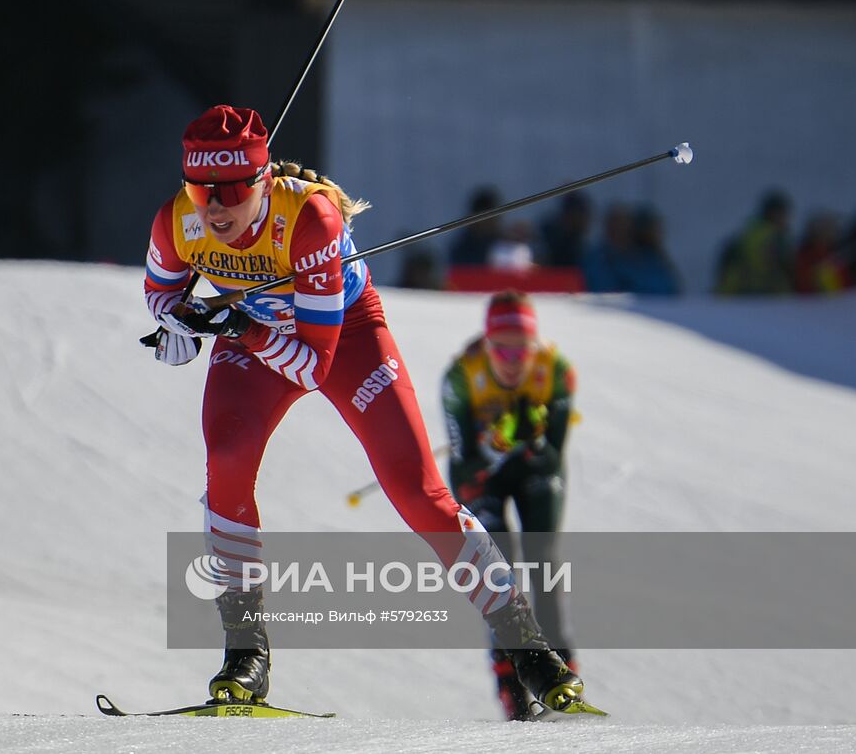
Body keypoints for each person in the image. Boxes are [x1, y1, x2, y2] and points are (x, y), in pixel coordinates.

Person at [143, 104, 585, 713]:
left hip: (342, 337)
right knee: (227, 457)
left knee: (416, 491)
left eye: (233, 189)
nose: (214, 207)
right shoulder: (177, 222)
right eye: (201, 190)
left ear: (264, 181)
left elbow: (312, 365)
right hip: (254, 331)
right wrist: (177, 333)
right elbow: (160, 296)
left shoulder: (311, 222)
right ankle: (246, 652)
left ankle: (530, 650)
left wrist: (236, 326)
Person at [442, 291, 579, 720]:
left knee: (544, 562)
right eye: (501, 347)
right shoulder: (462, 377)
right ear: (486, 344)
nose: (513, 358)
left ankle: (562, 674)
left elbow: (554, 453)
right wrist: (497, 441)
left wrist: (530, 437)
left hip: (534, 470)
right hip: (485, 475)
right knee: (499, 570)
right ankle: (511, 685)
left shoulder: (556, 370)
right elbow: (465, 469)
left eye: (523, 348)